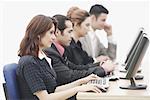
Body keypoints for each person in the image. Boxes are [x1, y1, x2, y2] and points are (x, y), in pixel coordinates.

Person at [16, 15, 101, 100]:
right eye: (51, 33)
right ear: (39, 34)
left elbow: (54, 90)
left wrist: (82, 81)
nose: (54, 37)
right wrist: (78, 89)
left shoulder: (42, 58)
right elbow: (45, 98)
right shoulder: (29, 62)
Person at [44, 14, 113, 86]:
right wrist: (102, 69)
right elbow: (69, 76)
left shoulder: (60, 50)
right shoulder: (51, 52)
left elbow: (75, 67)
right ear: (57, 32)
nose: (71, 35)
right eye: (69, 32)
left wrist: (100, 65)